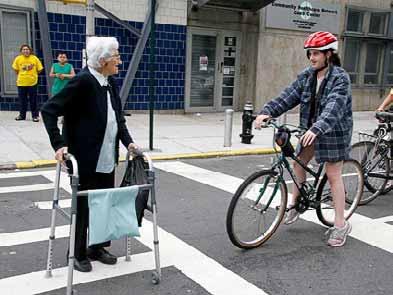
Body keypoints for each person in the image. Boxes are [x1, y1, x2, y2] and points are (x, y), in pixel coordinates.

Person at [41, 37, 138, 272]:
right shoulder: (83, 81)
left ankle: (97, 247)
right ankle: (76, 252)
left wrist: (129, 143)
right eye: (116, 56)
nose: (120, 61)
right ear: (103, 60)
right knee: (83, 206)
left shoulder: (109, 81)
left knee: (103, 203)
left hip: (106, 155)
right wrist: (59, 144)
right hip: (85, 157)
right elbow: (49, 110)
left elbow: (118, 117)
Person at [255, 31, 353, 247]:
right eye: (310, 53)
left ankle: (340, 225)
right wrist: (267, 111)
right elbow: (287, 96)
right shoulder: (306, 76)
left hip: (333, 132)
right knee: (298, 163)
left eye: (316, 53)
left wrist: (318, 128)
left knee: (333, 174)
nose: (312, 57)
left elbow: (334, 107)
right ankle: (295, 204)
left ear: (329, 54)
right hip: (309, 131)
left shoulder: (340, 78)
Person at [12, 44, 43, 122]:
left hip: (32, 83)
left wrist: (33, 75)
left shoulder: (34, 58)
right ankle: (22, 116)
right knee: (22, 100)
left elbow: (39, 69)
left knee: (33, 100)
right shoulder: (18, 59)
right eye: (24, 49)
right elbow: (16, 70)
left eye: (27, 49)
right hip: (21, 83)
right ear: (21, 51)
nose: (26, 51)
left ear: (30, 50)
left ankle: (35, 116)